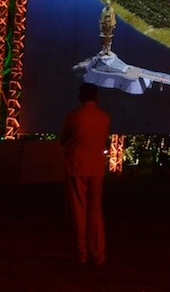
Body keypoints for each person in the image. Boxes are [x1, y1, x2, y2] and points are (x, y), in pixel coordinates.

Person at [60, 83, 111, 266]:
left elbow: (63, 138)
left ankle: (81, 254)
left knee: (78, 212)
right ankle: (98, 254)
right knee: (95, 211)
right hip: (96, 168)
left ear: (80, 97)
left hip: (76, 167)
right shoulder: (104, 117)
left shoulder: (73, 116)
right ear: (96, 97)